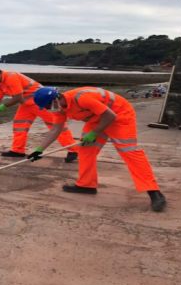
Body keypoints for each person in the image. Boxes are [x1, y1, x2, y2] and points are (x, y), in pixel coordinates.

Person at [27, 86, 167, 212]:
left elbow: (110, 116)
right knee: (86, 150)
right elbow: (55, 130)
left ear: (56, 98)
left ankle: (154, 192)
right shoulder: (59, 109)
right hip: (97, 120)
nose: (48, 109)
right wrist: (39, 150)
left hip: (119, 116)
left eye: (47, 106)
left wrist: (94, 133)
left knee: (129, 152)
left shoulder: (82, 98)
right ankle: (86, 185)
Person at [0, 63, 78, 161]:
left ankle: (73, 150)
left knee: (56, 126)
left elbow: (17, 97)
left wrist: (4, 106)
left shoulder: (11, 77)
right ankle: (17, 150)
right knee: (19, 125)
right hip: (26, 104)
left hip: (42, 102)